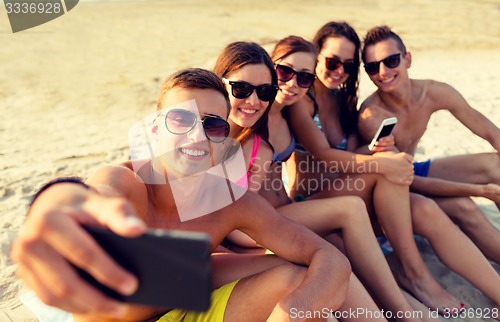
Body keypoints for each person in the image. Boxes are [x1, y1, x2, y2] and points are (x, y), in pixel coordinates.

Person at [11, 68, 353, 322]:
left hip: (183, 307)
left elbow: (326, 255)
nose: (195, 136)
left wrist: (294, 312)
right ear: (156, 128)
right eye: (180, 119)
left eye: (212, 126)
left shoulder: (229, 200)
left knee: (296, 276)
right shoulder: (127, 183)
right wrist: (54, 202)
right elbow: (90, 196)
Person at [286, 21, 500, 315]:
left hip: (355, 193)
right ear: (315, 56)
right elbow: (325, 156)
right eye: (332, 62)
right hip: (316, 201)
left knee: (427, 208)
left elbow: (351, 157)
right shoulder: (303, 101)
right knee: (390, 167)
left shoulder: (339, 98)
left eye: (347, 66)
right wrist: (381, 160)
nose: (339, 72)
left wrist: (373, 153)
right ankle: (415, 274)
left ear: (407, 58)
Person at [212, 38, 427, 321]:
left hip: (262, 222)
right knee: (339, 229)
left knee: (335, 249)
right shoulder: (206, 138)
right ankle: (402, 305)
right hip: (242, 237)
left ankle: (398, 302)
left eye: (304, 78)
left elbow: (250, 203)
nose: (254, 100)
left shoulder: (261, 136)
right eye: (241, 89)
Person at [358, 25, 500, 265]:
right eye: (373, 67)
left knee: (496, 165)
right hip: (393, 189)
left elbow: (488, 130)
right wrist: (480, 190)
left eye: (391, 60)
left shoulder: (434, 92)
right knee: (464, 206)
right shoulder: (372, 116)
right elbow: (405, 178)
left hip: (414, 169)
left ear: (408, 59)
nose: (383, 72)